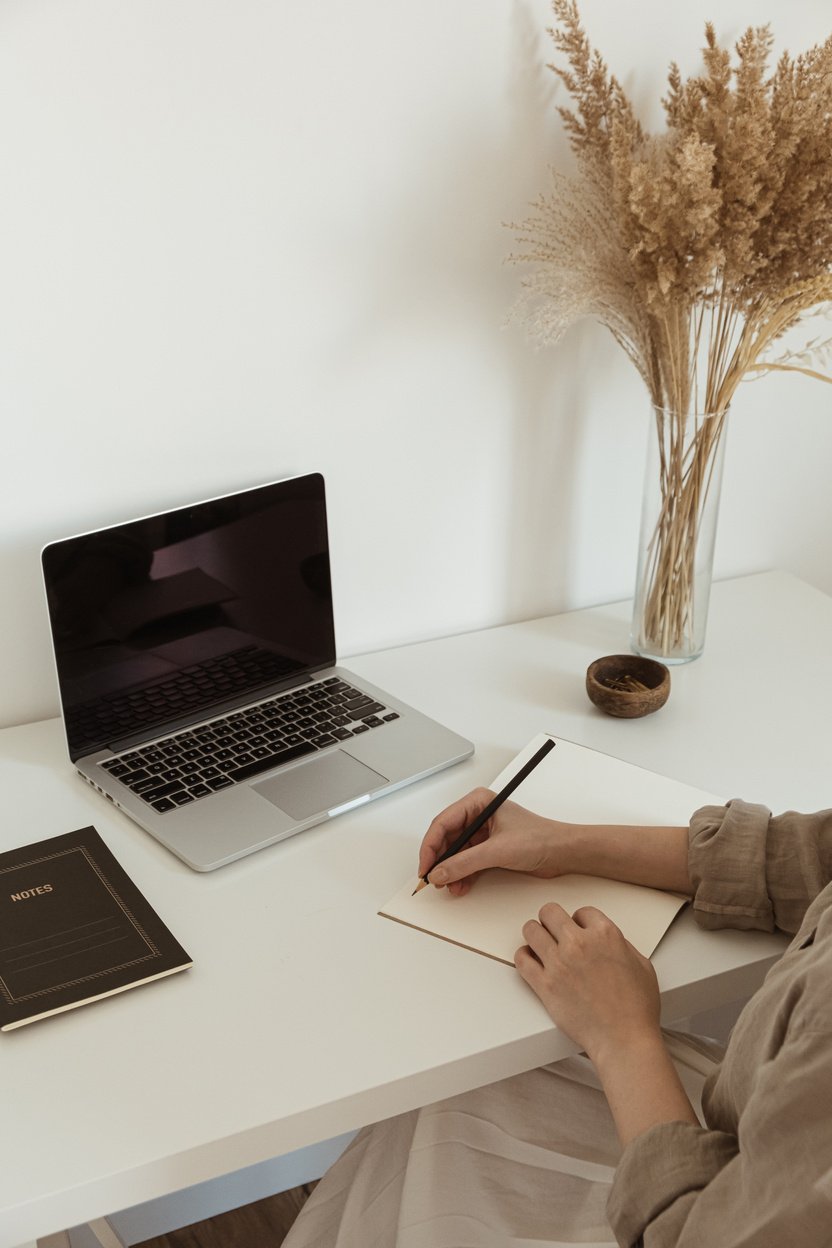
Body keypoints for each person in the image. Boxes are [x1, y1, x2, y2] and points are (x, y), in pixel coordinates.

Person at [282, 791, 832, 1247]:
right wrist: (560, 844)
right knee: (460, 1081)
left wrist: (623, 1035)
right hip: (749, 1123)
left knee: (449, 1121)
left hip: (702, 1204)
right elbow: (801, 857)